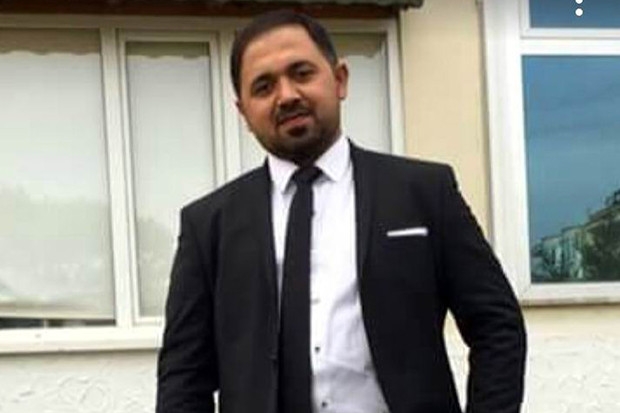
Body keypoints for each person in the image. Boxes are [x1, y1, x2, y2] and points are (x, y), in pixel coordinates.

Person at [156, 9, 526, 413]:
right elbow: (183, 376)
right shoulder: (208, 226)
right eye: (264, 86)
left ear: (340, 79)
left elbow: (497, 326)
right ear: (243, 112)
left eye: (301, 73)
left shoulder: (424, 193)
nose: (287, 95)